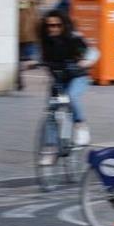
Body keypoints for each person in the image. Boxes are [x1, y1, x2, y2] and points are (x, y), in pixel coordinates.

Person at [38, 9, 97, 165]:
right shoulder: (46, 41)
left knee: (71, 96)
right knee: (51, 110)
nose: (53, 29)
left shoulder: (73, 38)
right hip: (59, 80)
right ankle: (51, 149)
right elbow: (44, 59)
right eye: (50, 26)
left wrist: (86, 61)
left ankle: (80, 126)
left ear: (64, 25)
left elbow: (93, 53)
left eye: (57, 25)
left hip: (78, 77)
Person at [17, 0, 40, 90]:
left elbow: (37, 21)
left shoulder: (31, 6)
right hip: (17, 39)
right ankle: (19, 80)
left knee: (28, 61)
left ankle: (18, 78)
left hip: (29, 39)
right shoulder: (13, 6)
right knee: (19, 61)